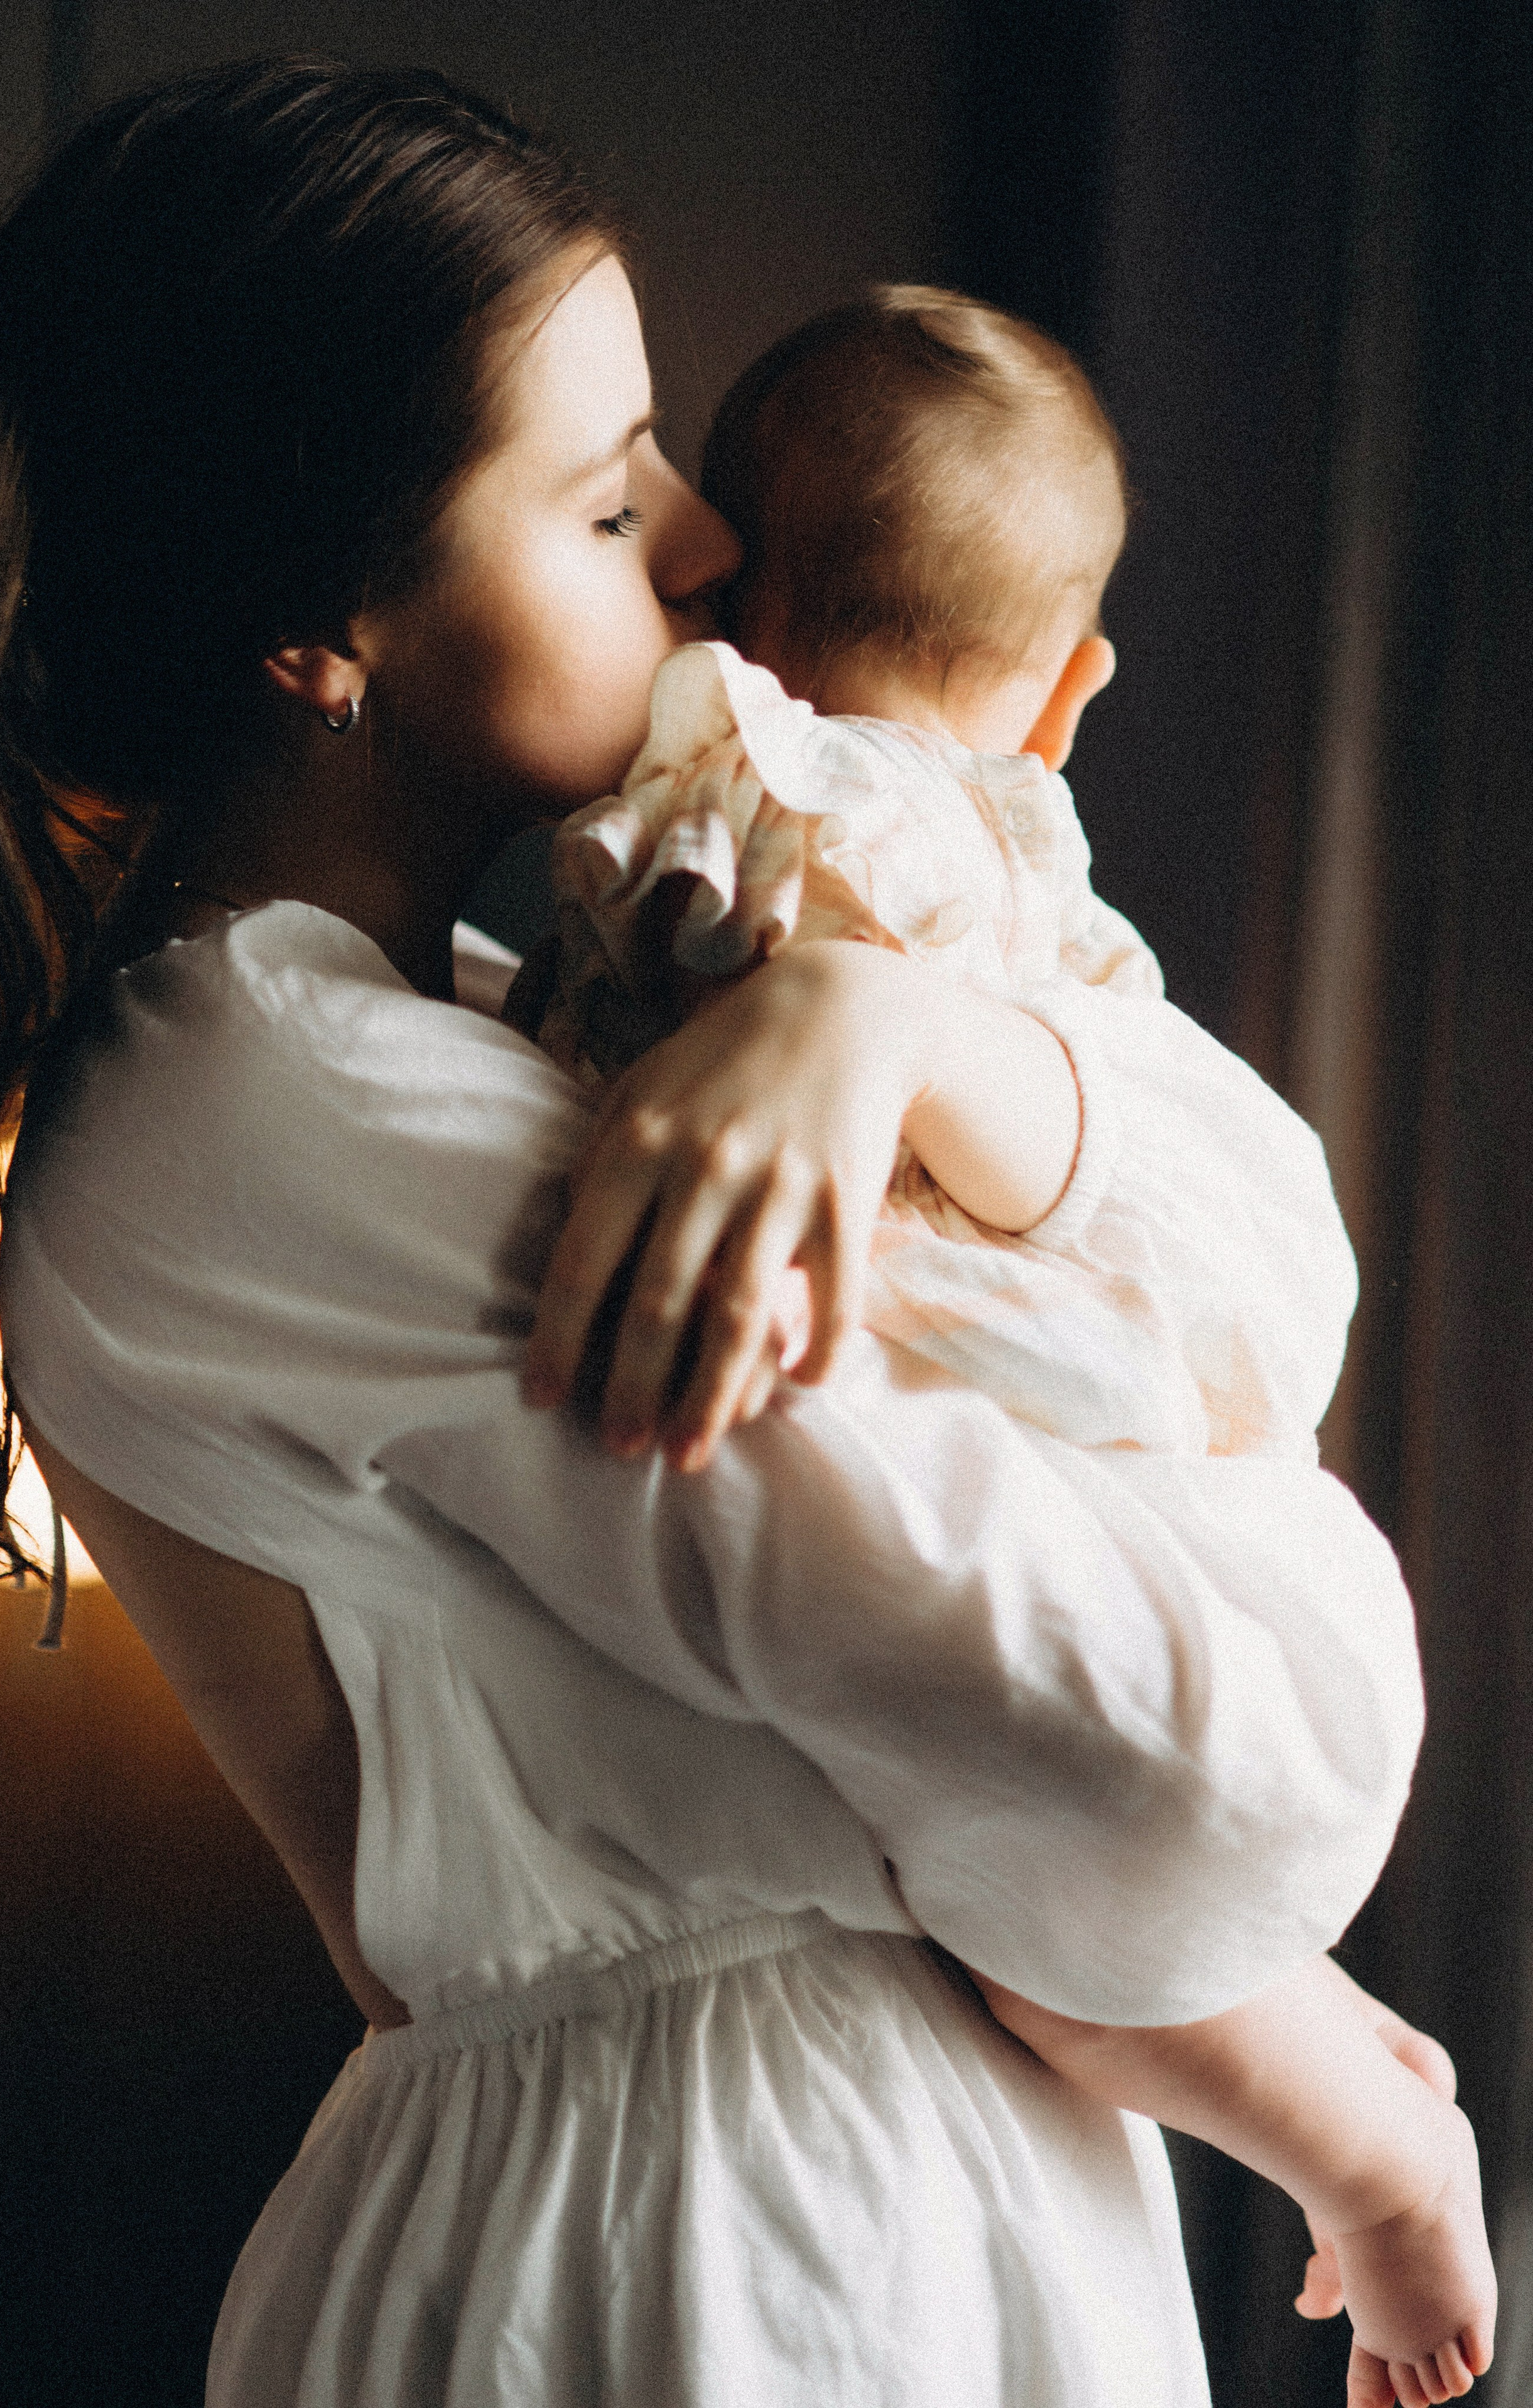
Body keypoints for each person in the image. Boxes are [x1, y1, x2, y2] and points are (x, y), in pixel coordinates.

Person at [0, 57, 1439, 2408]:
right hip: (715, 2266)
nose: (723, 552)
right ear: (323, 633)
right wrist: (1320, 2060)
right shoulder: (276, 1112)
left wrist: (895, 1025)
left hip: (821, 2208)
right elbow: (1165, 1730)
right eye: (612, 505)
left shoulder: (508, 1035)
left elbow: (1266, 1266)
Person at [511, 288, 1499, 2406]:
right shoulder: (1015, 857)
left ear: (724, 600)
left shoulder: (742, 788)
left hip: (1130, 1535)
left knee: (1038, 1952)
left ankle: (1381, 2150)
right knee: (1042, 1919)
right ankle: (1332, 2067)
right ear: (1069, 693)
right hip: (1170, 1505)